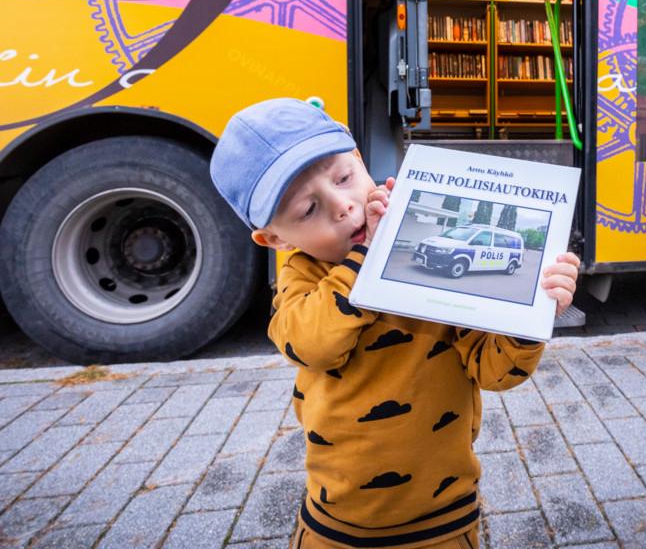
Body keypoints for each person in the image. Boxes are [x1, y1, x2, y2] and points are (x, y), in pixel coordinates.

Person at [209, 98, 579, 548]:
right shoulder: (304, 276)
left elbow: (495, 373)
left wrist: (530, 317)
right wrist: (369, 257)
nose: (343, 206)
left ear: (362, 163)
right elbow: (313, 344)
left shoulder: (428, 267)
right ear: (275, 239)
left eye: (344, 178)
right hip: (336, 525)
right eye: (308, 210)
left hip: (445, 517)